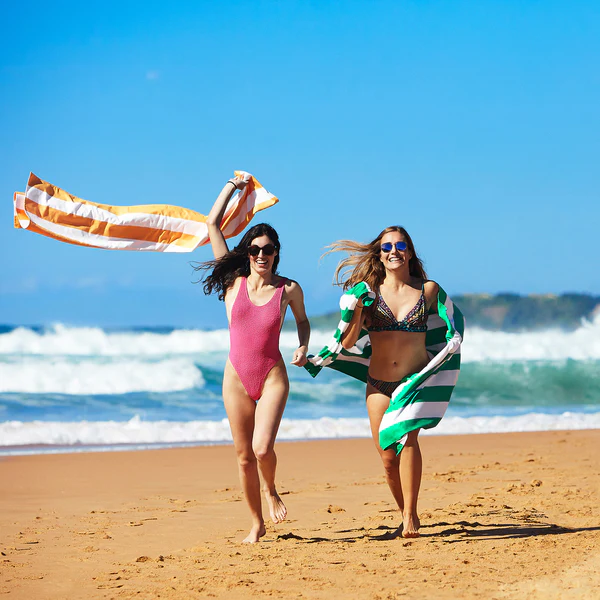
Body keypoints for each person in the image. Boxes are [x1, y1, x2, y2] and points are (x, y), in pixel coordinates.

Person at [194, 175, 310, 543]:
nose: (263, 255)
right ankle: (256, 523)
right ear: (248, 252)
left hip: (272, 375)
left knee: (263, 449)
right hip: (236, 378)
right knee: (244, 457)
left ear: (277, 253)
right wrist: (233, 186)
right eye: (256, 249)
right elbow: (211, 223)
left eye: (269, 249)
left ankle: (271, 488)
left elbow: (303, 322)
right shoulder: (233, 283)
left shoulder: (288, 289)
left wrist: (303, 345)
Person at [328, 226, 439, 538]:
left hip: (412, 383)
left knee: (409, 442)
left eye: (401, 244)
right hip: (378, 383)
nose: (394, 250)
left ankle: (411, 517)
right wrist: (359, 308)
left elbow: (447, 323)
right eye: (387, 246)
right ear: (379, 254)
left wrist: (444, 360)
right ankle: (404, 511)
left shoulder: (427, 290)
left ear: (410, 251)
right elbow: (348, 342)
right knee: (388, 457)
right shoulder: (368, 293)